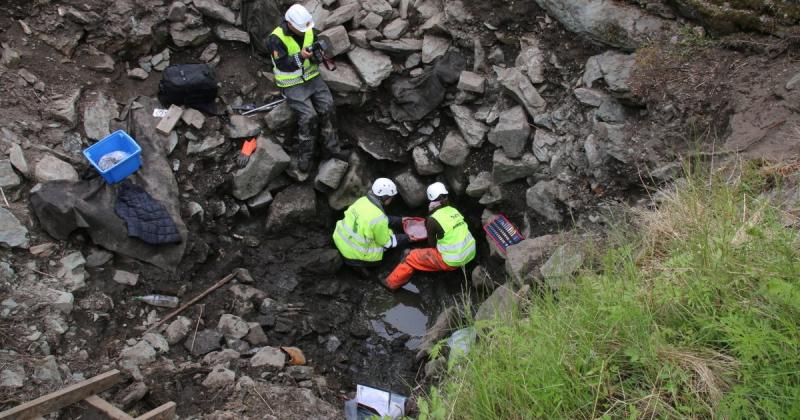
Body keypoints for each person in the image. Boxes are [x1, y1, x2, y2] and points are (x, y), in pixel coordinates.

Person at [267, 4, 345, 172]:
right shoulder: (276, 39)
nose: (305, 31)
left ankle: (332, 150)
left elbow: (315, 46)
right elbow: (282, 64)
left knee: (328, 106)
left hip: (311, 76)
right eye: (300, 28)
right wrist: (300, 57)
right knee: (309, 116)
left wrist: (318, 56)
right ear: (289, 24)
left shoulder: (309, 28)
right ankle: (306, 155)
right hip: (291, 83)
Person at [383, 182, 476, 290]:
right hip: (470, 252)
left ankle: (390, 283)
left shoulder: (433, 219)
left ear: (431, 200)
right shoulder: (454, 210)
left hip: (452, 260)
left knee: (409, 256)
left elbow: (432, 244)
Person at [333, 178, 409, 277]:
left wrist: (400, 220)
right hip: (355, 255)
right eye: (391, 198)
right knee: (387, 240)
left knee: (380, 230)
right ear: (385, 197)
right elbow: (387, 243)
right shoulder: (378, 217)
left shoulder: (362, 201)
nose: (391, 200)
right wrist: (407, 238)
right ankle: (363, 269)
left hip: (340, 239)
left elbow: (374, 219)